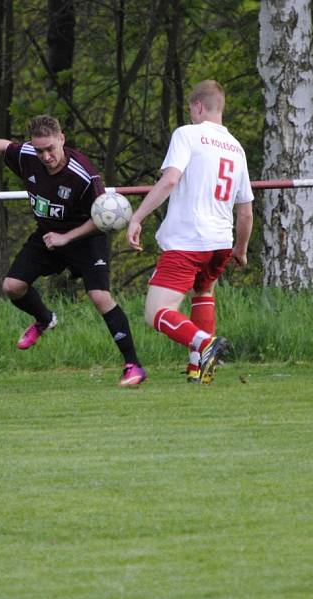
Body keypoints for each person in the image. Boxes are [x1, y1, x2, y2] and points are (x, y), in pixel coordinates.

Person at [0, 115, 147, 388]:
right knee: (12, 287)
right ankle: (45, 320)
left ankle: (133, 366)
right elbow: (6, 147)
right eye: (39, 150)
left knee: (99, 297)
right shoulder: (28, 156)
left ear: (62, 139)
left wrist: (67, 237)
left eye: (50, 148)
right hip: (49, 235)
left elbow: (101, 220)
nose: (46, 156)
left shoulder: (84, 174)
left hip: (86, 238)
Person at [126, 80, 253, 384]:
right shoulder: (237, 148)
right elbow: (246, 210)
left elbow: (170, 180)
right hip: (220, 243)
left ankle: (205, 344)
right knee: (203, 292)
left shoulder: (187, 134)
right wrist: (241, 249)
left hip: (188, 241)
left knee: (156, 312)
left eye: (191, 110)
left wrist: (137, 217)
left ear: (198, 107)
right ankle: (199, 368)